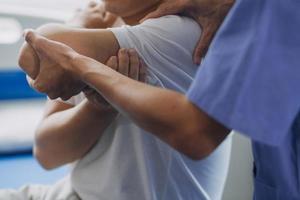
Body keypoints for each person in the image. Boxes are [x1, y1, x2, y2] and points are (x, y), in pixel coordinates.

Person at [23, 0, 300, 199]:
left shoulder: (179, 32)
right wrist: (97, 109)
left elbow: (36, 51)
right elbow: (46, 153)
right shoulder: (107, 26)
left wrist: (79, 49)